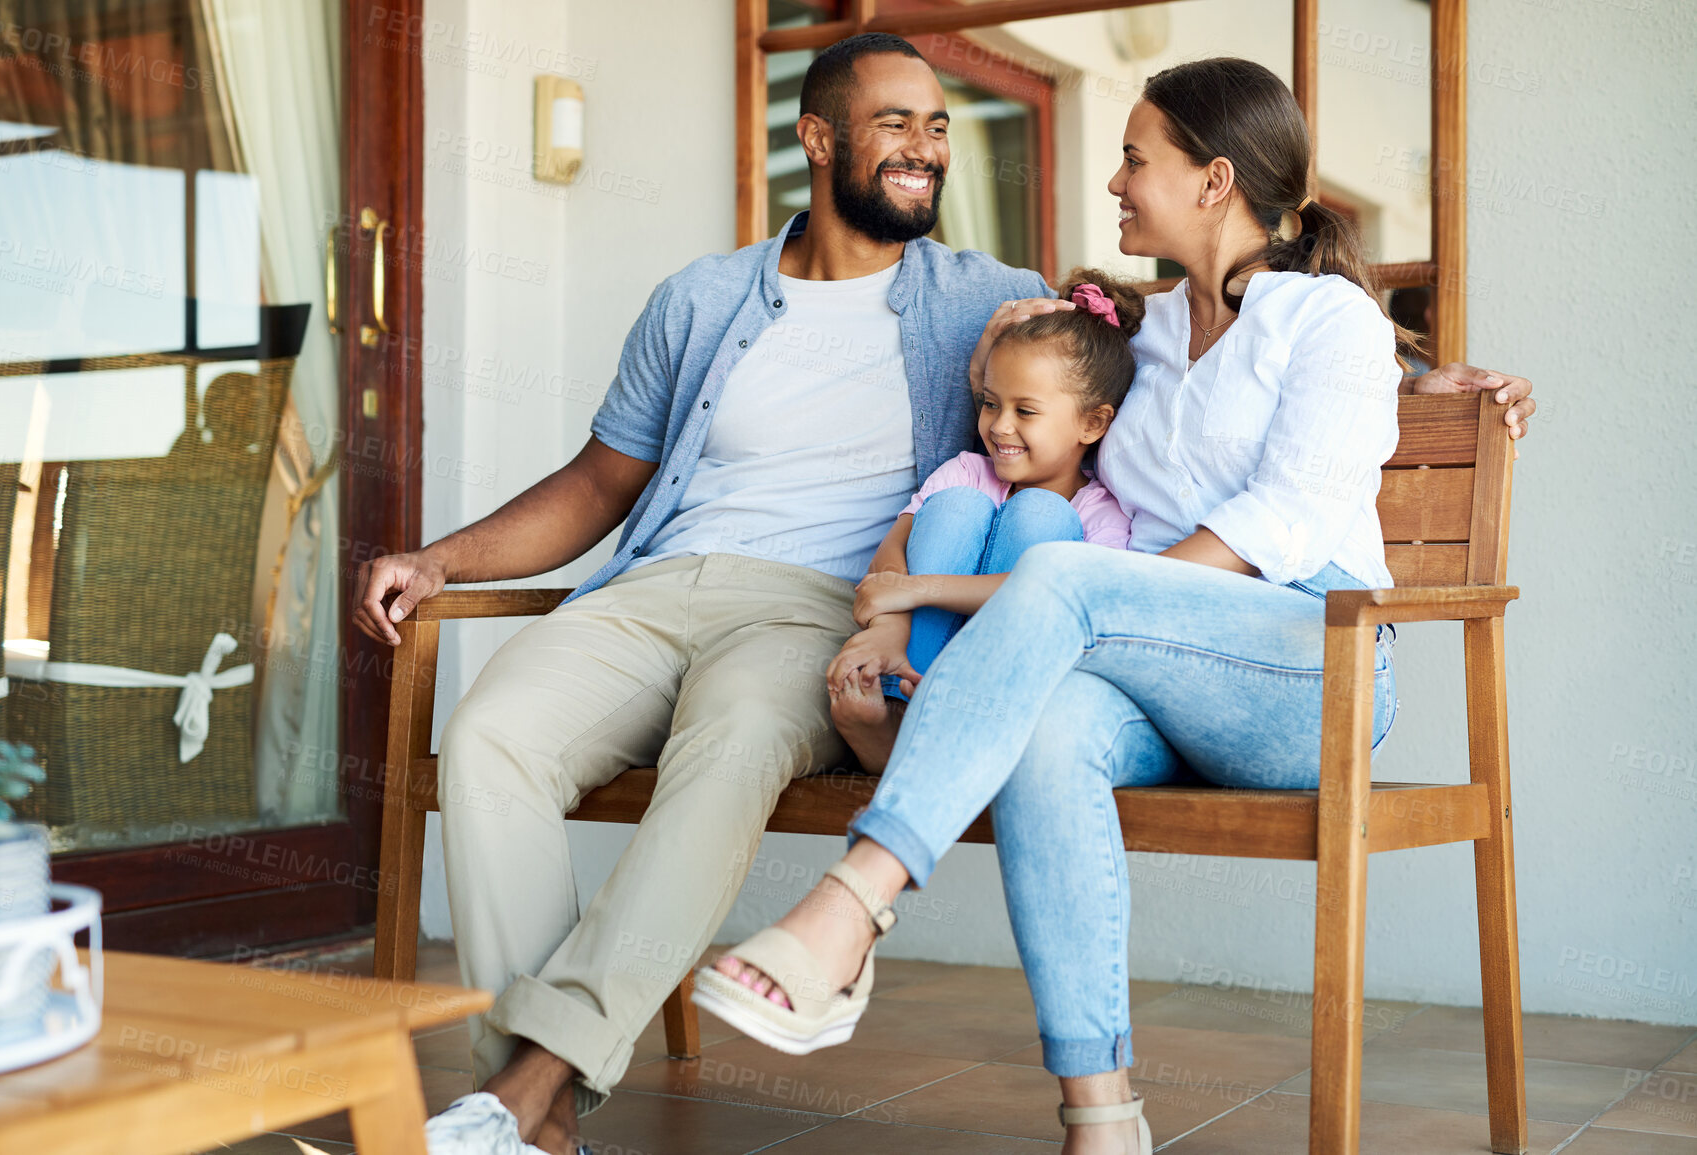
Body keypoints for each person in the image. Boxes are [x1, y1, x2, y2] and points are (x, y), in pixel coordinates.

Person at [697, 56, 1511, 1155]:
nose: (1116, 181)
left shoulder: (1329, 322)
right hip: (1153, 674)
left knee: (1066, 575)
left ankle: (854, 902)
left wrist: (1415, 380)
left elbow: (1289, 512)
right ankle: (1102, 1119)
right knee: (1050, 737)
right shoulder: (1142, 334)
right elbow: (1039, 408)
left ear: (1216, 180)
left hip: (1308, 668)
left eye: (1136, 158)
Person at [356, 33, 1052, 1155]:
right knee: (489, 738)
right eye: (895, 124)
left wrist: (1412, 364)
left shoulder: (989, 299)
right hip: (656, 587)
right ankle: (534, 1120)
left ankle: (527, 1092)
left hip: (821, 608)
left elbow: (1168, 336)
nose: (925, 148)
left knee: (728, 743)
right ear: (817, 138)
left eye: (938, 126)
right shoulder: (701, 300)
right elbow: (597, 484)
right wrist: (439, 560)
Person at [829, 271, 1142, 772]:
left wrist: (920, 590)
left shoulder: (1100, 514)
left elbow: (1053, 600)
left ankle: (951, 727)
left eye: (1026, 410)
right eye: (991, 403)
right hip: (918, 659)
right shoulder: (966, 473)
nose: (999, 426)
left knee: (1041, 515)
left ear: (1093, 422)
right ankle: (900, 706)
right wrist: (890, 624)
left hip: (1009, 687)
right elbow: (893, 552)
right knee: (957, 507)